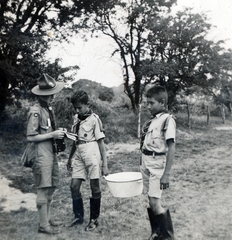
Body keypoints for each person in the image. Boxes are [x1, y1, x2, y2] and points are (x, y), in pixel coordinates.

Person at [26, 74, 65, 234]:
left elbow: (48, 130)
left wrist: (57, 134)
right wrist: (52, 135)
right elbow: (30, 136)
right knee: (43, 187)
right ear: (42, 95)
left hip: (50, 153)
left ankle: (47, 219)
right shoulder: (35, 111)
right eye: (50, 94)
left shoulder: (47, 109)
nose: (53, 96)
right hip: (41, 154)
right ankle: (43, 225)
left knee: (52, 185)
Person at [66, 90, 109, 231]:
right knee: (74, 186)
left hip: (92, 152)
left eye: (80, 107)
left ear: (87, 104)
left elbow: (101, 144)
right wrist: (70, 158)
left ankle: (94, 219)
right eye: (75, 108)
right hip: (79, 153)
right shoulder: (76, 118)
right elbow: (74, 140)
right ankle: (78, 216)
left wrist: (105, 165)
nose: (77, 110)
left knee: (94, 187)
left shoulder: (94, 119)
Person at [140, 85, 176, 240]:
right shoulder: (152, 120)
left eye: (151, 103)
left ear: (162, 103)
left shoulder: (167, 120)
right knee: (150, 198)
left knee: (155, 202)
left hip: (157, 164)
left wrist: (166, 174)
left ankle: (168, 236)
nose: (148, 106)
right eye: (147, 103)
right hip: (146, 162)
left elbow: (171, 147)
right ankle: (156, 232)